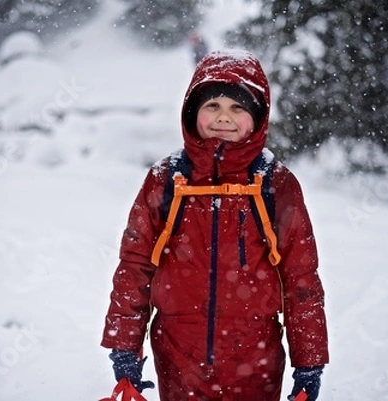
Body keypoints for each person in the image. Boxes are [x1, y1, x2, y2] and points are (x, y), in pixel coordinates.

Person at [101, 49, 329, 401]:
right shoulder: (166, 179)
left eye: (238, 108)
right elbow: (135, 265)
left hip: (255, 357)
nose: (224, 117)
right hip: (178, 353)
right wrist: (125, 347)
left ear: (258, 117)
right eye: (213, 106)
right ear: (193, 112)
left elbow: (301, 278)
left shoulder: (276, 184)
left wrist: (309, 361)